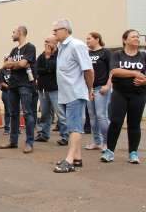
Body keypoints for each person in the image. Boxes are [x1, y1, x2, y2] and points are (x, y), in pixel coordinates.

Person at [52, 19, 94, 173]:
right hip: (66, 93)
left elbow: (88, 70)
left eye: (56, 30)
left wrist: (89, 89)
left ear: (66, 30)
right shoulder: (62, 47)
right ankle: (77, 158)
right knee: (72, 126)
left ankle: (69, 160)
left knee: (75, 127)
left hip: (75, 93)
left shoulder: (77, 45)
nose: (54, 32)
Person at [101, 29, 146, 164]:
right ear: (125, 40)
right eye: (133, 37)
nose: (137, 39)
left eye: (138, 37)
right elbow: (115, 71)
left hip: (139, 94)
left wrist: (144, 80)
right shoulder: (117, 55)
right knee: (116, 122)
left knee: (134, 123)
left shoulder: (143, 56)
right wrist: (135, 74)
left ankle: (133, 153)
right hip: (120, 93)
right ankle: (109, 151)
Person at [0, 26, 36, 153]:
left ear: (20, 33)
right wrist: (17, 64)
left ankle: (29, 143)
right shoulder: (14, 50)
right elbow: (5, 65)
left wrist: (14, 64)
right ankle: (13, 141)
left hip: (25, 85)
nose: (12, 35)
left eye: (13, 32)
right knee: (13, 113)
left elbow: (22, 64)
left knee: (27, 113)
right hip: (12, 85)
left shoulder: (30, 47)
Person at [34, 36, 68, 144]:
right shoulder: (41, 56)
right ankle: (44, 134)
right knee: (45, 114)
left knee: (60, 113)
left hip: (55, 89)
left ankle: (65, 136)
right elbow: (37, 70)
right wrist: (47, 68)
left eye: (48, 42)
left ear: (55, 43)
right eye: (45, 41)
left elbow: (54, 68)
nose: (46, 43)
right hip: (43, 90)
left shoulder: (60, 55)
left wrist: (48, 58)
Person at [85, 32, 112, 151]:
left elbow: (112, 70)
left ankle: (107, 143)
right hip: (89, 89)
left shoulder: (106, 52)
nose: (87, 41)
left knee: (102, 116)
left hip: (101, 89)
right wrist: (88, 88)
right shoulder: (87, 53)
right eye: (86, 39)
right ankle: (97, 142)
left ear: (97, 39)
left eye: (89, 39)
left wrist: (107, 86)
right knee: (92, 117)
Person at [0, 57, 12, 135]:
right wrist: (9, 87)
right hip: (6, 92)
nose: (10, 62)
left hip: (15, 93)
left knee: (15, 111)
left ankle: (15, 128)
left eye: (11, 61)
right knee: (8, 111)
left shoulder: (15, 70)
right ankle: (7, 128)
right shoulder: (2, 71)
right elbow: (1, 82)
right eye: (8, 61)